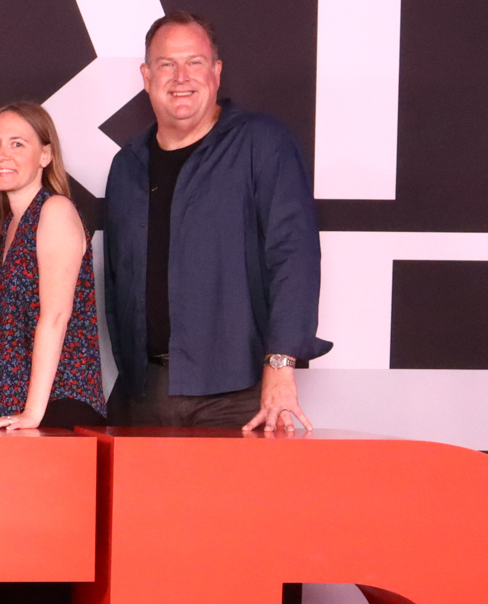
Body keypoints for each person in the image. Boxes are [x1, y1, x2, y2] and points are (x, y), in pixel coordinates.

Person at [102, 10, 330, 431]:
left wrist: (280, 368)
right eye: (167, 64)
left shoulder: (263, 143)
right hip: (144, 395)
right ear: (146, 76)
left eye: (195, 62)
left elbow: (294, 257)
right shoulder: (126, 166)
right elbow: (117, 280)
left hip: (238, 396)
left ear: (217, 72)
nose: (181, 76)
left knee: (232, 500)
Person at [0, 102, 105, 431]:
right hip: (11, 414)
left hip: (57, 410)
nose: (2, 154)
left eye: (18, 143)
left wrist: (32, 414)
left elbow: (56, 317)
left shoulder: (55, 210)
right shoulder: (7, 228)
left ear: (45, 155)